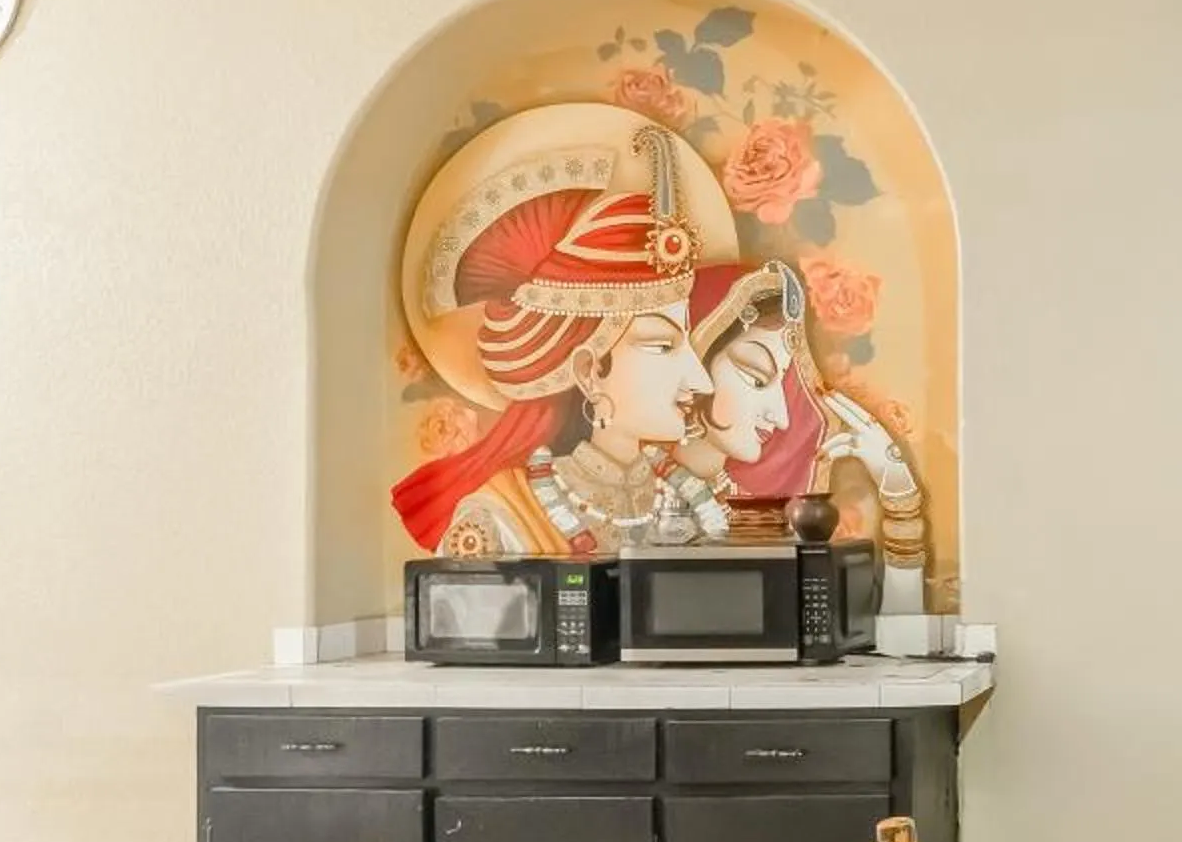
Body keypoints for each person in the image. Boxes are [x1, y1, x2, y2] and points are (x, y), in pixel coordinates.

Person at [393, 126, 728, 556]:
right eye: (662, 347)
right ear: (589, 371)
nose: (699, 380)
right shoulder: (498, 519)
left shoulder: (690, 502)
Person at [681, 260, 928, 611]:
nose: (780, 418)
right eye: (755, 377)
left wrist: (899, 496)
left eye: (783, 384)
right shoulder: (607, 498)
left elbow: (900, 648)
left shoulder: (757, 515)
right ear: (694, 361)